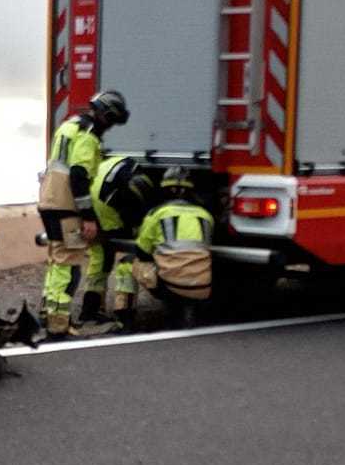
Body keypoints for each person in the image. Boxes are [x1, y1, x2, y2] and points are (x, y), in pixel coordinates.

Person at [37, 89, 129, 336]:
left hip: (48, 200)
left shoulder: (69, 126)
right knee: (69, 263)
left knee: (57, 261)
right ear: (106, 115)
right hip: (66, 205)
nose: (109, 127)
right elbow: (78, 175)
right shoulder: (88, 137)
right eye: (111, 121)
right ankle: (59, 324)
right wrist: (88, 216)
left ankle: (49, 316)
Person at [132, 168, 215, 328]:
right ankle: (194, 309)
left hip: (171, 285)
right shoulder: (205, 215)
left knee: (132, 261)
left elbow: (141, 251)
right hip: (202, 286)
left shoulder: (157, 213)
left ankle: (167, 309)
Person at [87, 153, 159, 333]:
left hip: (91, 198)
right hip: (106, 204)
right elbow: (138, 230)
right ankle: (120, 314)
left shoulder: (119, 164)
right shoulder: (140, 192)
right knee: (122, 260)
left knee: (100, 255)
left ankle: (90, 309)